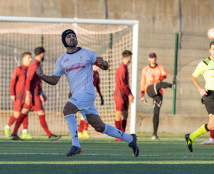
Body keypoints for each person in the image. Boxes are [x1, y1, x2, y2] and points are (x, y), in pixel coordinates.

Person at [35, 29, 139, 157]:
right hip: (78, 95)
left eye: (74, 36)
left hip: (87, 92)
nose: (72, 38)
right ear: (64, 41)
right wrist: (42, 75)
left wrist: (104, 64)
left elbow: (104, 65)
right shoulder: (61, 60)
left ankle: (76, 145)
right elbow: (54, 80)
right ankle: (130, 139)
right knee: (99, 127)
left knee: (67, 110)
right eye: (68, 36)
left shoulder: (87, 53)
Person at [9, 47, 61, 141]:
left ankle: (14, 133)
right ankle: (49, 135)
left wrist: (42, 92)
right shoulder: (34, 66)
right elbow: (28, 81)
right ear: (42, 54)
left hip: (35, 93)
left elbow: (36, 82)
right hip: (33, 95)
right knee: (41, 113)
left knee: (23, 113)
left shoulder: (37, 65)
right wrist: (28, 95)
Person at [140, 52, 173, 140]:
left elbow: (164, 74)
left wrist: (160, 78)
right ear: (148, 59)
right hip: (149, 89)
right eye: (151, 57)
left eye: (154, 57)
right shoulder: (145, 69)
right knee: (157, 85)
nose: (153, 59)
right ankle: (171, 85)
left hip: (158, 93)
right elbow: (142, 81)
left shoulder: (160, 68)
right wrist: (142, 95)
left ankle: (154, 134)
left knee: (156, 112)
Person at [4, 52, 33, 139]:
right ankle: (7, 127)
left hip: (27, 96)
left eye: (31, 58)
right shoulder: (18, 69)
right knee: (17, 114)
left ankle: (25, 132)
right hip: (18, 96)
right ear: (23, 59)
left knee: (25, 113)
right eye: (29, 58)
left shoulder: (31, 70)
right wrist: (12, 94)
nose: (30, 59)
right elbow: (13, 82)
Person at [78, 65, 104, 139]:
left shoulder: (96, 74)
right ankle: (84, 131)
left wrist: (101, 96)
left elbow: (97, 86)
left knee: (85, 114)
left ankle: (81, 131)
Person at [114, 50, 134, 141]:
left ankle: (122, 134)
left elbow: (126, 84)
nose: (131, 58)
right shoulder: (121, 68)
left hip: (125, 94)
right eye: (130, 56)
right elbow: (122, 83)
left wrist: (130, 94)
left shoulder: (125, 67)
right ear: (128, 57)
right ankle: (118, 135)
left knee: (125, 114)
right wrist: (129, 94)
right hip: (119, 94)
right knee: (119, 114)